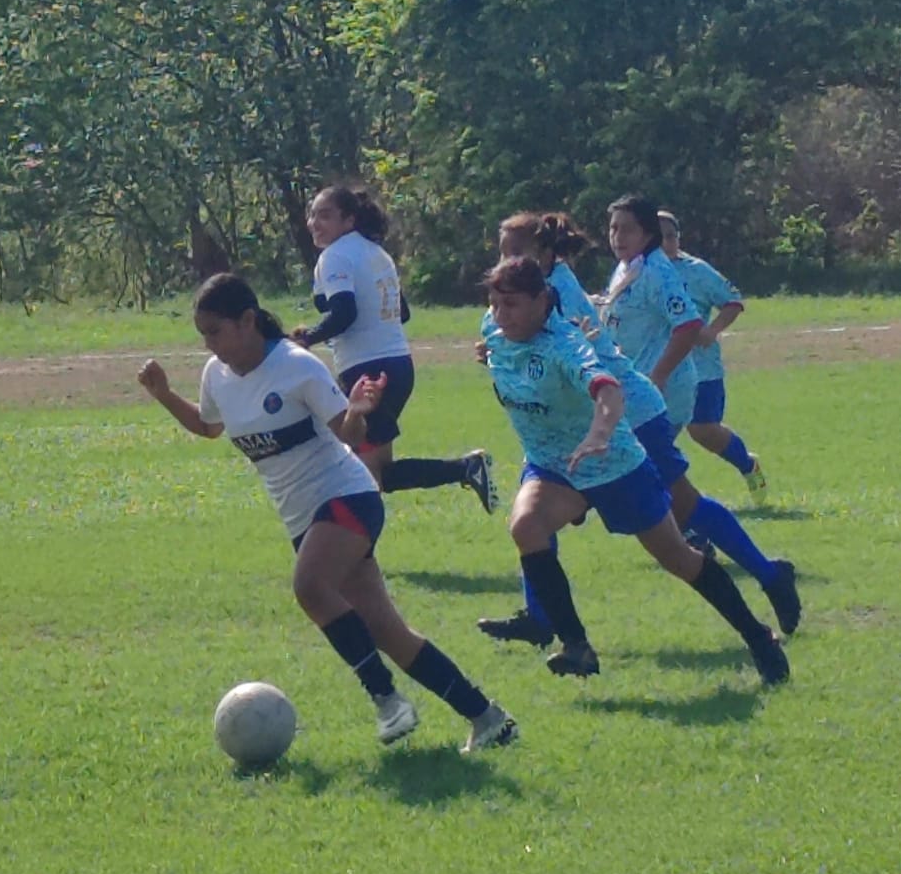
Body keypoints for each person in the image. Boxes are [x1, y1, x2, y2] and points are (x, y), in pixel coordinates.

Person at [138, 272, 518, 754]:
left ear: (248, 320)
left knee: (309, 587)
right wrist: (164, 395)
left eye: (215, 331)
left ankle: (386, 700)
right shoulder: (217, 375)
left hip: (347, 496)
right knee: (388, 633)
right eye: (203, 334)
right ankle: (488, 718)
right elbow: (209, 426)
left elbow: (350, 435)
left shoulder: (297, 366)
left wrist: (358, 408)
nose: (210, 344)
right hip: (304, 520)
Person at [477, 212, 801, 647]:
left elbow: (574, 355)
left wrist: (653, 380)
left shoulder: (556, 294)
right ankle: (542, 617)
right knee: (532, 509)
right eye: (503, 252)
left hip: (627, 413)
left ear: (544, 254)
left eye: (515, 251)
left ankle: (768, 574)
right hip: (576, 424)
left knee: (683, 508)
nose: (507, 260)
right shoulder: (527, 296)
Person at [291, 184, 497, 513]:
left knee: (365, 473)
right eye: (312, 215)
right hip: (398, 365)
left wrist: (307, 339)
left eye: (325, 215)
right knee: (374, 470)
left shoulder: (335, 256)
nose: (315, 222)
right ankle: (465, 469)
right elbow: (401, 312)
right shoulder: (375, 252)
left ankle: (354, 550)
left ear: (349, 219)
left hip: (369, 372)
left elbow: (345, 312)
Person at [659, 210, 767, 497]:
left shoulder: (696, 271)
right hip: (655, 368)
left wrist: (712, 330)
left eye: (671, 236)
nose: (665, 242)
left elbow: (732, 301)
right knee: (655, 434)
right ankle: (667, 501)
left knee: (702, 428)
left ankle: (748, 465)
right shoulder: (637, 270)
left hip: (700, 368)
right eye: (659, 237)